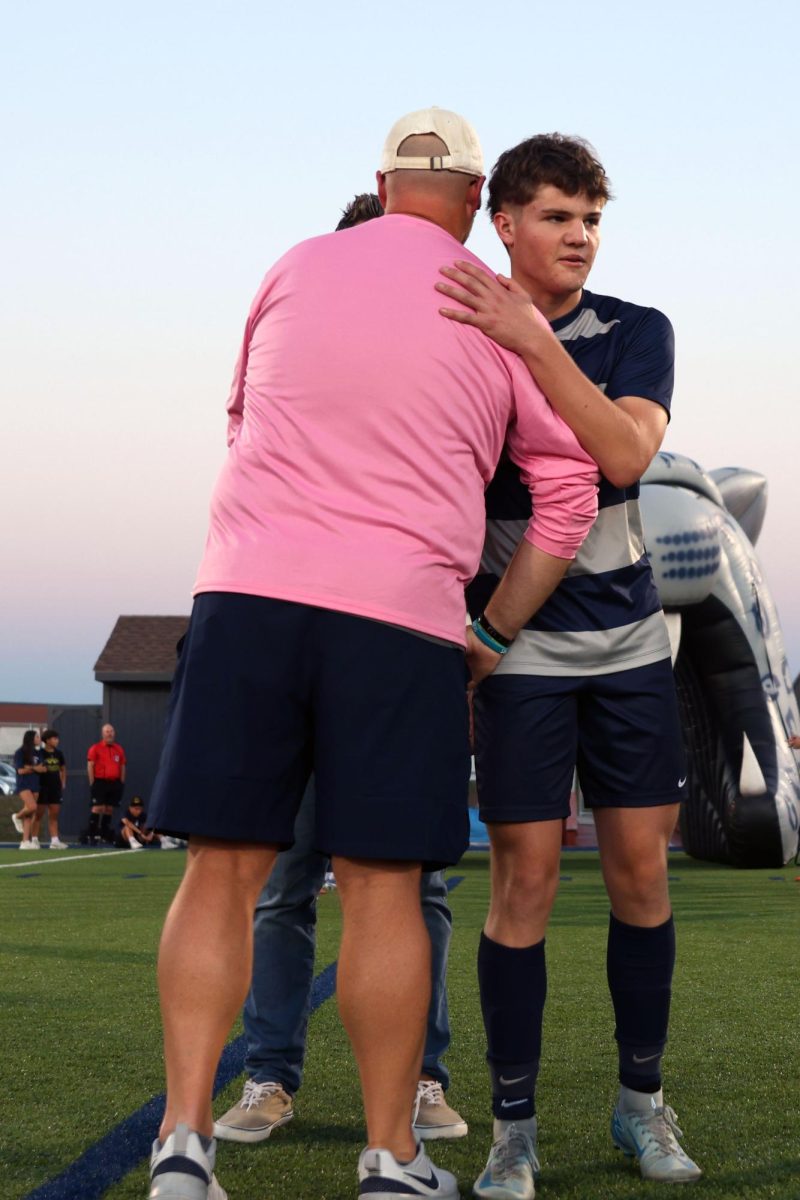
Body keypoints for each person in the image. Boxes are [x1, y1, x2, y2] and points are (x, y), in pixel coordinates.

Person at [146, 106, 598, 1200]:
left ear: (383, 184)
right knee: (386, 887)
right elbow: (570, 495)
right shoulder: (496, 312)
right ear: (475, 203)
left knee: (222, 871)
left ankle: (182, 1144)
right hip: (399, 617)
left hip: (250, 592)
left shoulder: (295, 264)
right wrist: (489, 630)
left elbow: (241, 414)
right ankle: (391, 1158)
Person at [435, 133, 702, 1194]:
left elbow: (625, 456)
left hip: (631, 647)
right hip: (517, 660)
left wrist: (536, 344)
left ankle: (640, 1105)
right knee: (524, 885)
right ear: (501, 223)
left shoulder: (635, 331)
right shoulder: (457, 331)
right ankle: (511, 1129)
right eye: (555, 217)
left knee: (641, 875)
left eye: (590, 219)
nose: (578, 237)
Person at [213, 195, 467, 1151]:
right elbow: (241, 430)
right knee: (280, 881)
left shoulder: (457, 349)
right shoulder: (301, 331)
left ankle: (421, 1079)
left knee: (414, 887)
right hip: (290, 633)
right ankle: (269, 1076)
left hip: (401, 641)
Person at [87, 724, 126, 844]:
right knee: (98, 807)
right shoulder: (95, 748)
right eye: (107, 731)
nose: (109, 733)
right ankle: (91, 835)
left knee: (109, 809)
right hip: (100, 781)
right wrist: (92, 782)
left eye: (111, 731)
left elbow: (122, 766)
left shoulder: (119, 749)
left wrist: (121, 782)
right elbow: (90, 765)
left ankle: (105, 835)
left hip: (114, 782)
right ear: (102, 734)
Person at [31, 729, 69, 849]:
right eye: (54, 738)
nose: (57, 741)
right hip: (42, 787)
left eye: (57, 738)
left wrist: (63, 783)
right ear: (47, 740)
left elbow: (63, 769)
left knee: (54, 815)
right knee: (38, 815)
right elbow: (34, 767)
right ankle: (34, 840)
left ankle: (54, 841)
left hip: (55, 788)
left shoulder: (59, 753)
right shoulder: (39, 753)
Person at [12, 730, 46, 849]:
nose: (39, 739)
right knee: (32, 807)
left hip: (35, 784)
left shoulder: (38, 753)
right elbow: (20, 770)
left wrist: (32, 768)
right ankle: (16, 816)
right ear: (31, 738)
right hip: (24, 784)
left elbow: (42, 768)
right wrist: (35, 768)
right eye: (37, 737)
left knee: (30, 814)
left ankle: (25, 841)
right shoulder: (20, 752)